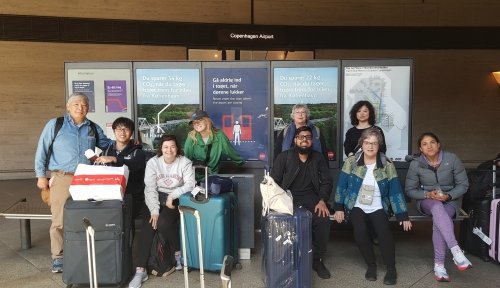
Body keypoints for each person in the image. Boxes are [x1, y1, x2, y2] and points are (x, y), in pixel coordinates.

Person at [34, 92, 113, 273]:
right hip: (62, 177)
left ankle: (81, 251)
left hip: (86, 177)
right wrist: (40, 176)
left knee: (86, 215)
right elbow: (42, 150)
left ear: (88, 108)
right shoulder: (56, 124)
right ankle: (58, 257)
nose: (80, 107)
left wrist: (129, 142)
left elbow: (108, 144)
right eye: (76, 104)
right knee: (60, 219)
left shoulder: (92, 127)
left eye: (84, 104)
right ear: (68, 107)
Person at [332, 127, 411, 285]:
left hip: (378, 205)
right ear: (362, 144)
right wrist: (338, 207)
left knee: (384, 233)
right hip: (356, 204)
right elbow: (341, 185)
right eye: (367, 143)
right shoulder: (352, 162)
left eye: (374, 143)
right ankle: (371, 265)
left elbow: (395, 188)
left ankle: (391, 268)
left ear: (379, 145)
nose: (370, 146)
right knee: (360, 231)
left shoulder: (385, 163)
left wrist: (402, 214)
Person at [128, 134, 195, 288]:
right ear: (161, 148)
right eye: (165, 147)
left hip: (175, 198)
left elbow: (190, 184)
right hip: (154, 198)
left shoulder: (184, 162)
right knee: (150, 225)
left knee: (164, 223)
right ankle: (140, 271)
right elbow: (150, 188)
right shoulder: (153, 163)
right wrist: (154, 210)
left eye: (172, 146)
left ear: (177, 148)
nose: (169, 150)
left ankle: (178, 254)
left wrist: (172, 195)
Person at [405, 132, 472, 282]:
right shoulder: (416, 164)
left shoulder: (452, 159)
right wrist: (427, 194)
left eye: (432, 142)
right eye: (424, 144)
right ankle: (456, 251)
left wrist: (448, 196)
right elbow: (410, 190)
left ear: (438, 145)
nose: (429, 146)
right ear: (420, 149)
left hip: (450, 201)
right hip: (427, 201)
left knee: (440, 219)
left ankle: (439, 266)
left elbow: (463, 184)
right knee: (436, 207)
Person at [271, 126, 333, 279]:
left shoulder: (318, 158)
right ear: (295, 140)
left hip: (312, 197)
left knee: (323, 220)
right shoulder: (284, 157)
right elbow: (273, 182)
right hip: (288, 197)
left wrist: (323, 200)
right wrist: (277, 203)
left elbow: (327, 182)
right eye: (301, 137)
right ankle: (287, 258)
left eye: (308, 137)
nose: (304, 139)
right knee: (285, 222)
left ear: (312, 141)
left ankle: (317, 259)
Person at [94, 117, 146, 224]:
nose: (122, 132)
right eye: (119, 129)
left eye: (126, 129)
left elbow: (136, 165)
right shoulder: (106, 152)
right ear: (114, 131)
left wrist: (115, 159)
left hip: (130, 196)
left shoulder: (138, 152)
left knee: (126, 225)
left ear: (131, 132)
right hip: (108, 196)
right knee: (109, 224)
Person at [184, 110, 244, 180]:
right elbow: (186, 159)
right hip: (194, 177)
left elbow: (230, 151)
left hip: (211, 177)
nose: (196, 124)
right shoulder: (191, 136)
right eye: (194, 123)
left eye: (199, 120)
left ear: (207, 121)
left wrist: (241, 162)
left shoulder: (219, 136)